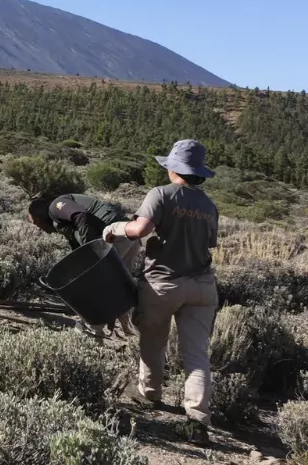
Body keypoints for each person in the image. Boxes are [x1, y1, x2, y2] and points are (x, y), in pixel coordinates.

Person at [102, 139, 219, 446]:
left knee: (153, 340)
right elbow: (209, 244)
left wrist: (115, 229)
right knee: (196, 354)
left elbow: (140, 230)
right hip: (203, 286)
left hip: (162, 283)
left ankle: (150, 394)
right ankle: (198, 421)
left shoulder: (162, 194)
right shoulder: (208, 205)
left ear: (173, 168)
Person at [27, 192, 140, 337]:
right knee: (120, 288)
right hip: (127, 236)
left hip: (113, 236)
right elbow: (76, 247)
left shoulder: (55, 206)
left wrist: (91, 253)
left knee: (93, 289)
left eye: (36, 223)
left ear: (39, 216)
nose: (39, 228)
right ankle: (131, 331)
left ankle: (92, 331)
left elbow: (81, 216)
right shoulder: (61, 222)